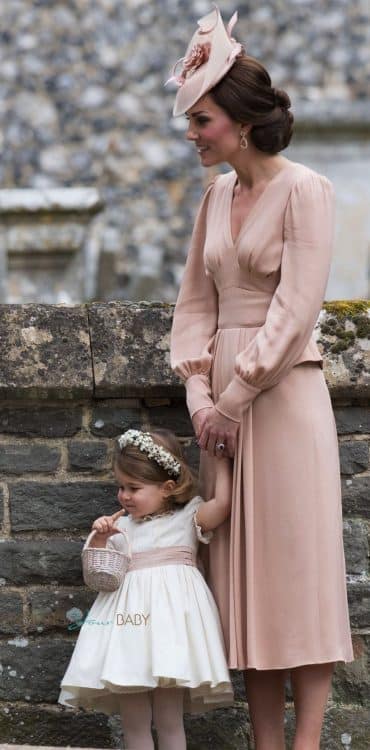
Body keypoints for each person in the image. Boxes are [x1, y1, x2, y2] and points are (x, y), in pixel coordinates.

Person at [169, 6, 353, 750]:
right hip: (221, 410)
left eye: (202, 119)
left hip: (282, 403)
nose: (192, 134)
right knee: (242, 585)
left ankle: (305, 744)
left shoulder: (306, 190)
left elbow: (296, 307)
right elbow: (193, 304)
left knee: (298, 579)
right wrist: (198, 392)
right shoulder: (214, 199)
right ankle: (264, 744)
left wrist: (235, 397)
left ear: (240, 122)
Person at [59, 427, 234, 750]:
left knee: (170, 720)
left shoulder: (188, 516)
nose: (124, 496)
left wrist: (219, 456)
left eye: (134, 488)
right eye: (121, 487)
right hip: (128, 634)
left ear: (167, 488)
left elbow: (222, 505)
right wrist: (100, 537)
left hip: (172, 634)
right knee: (134, 722)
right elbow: (99, 575)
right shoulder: (120, 527)